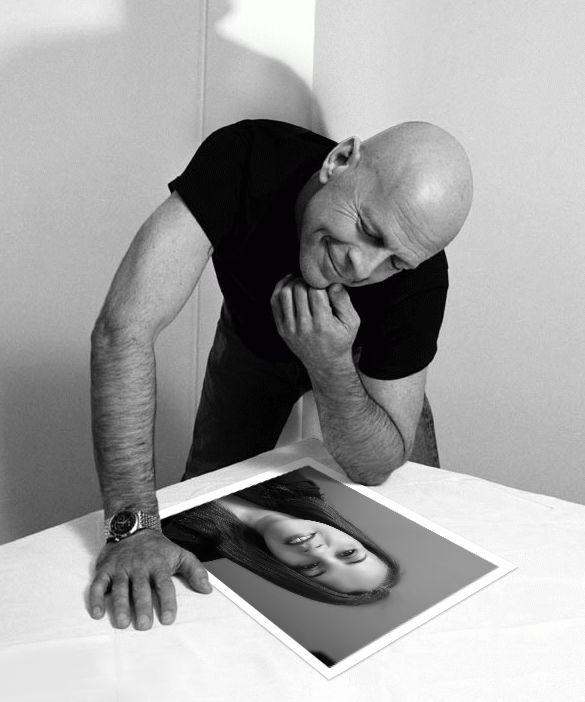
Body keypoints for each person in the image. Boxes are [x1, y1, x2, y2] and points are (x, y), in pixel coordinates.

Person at [89, 118, 473, 630]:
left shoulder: (420, 276)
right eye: (368, 231)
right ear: (339, 162)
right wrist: (133, 530)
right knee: (198, 516)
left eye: (395, 263)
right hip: (251, 343)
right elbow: (124, 330)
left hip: (357, 371)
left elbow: (375, 466)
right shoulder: (244, 158)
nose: (363, 269)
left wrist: (330, 363)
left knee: (415, 522)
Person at [162, 471, 399, 604]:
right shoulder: (300, 485)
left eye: (312, 567)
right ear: (352, 536)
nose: (317, 551)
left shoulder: (188, 544)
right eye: (348, 553)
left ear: (285, 571)